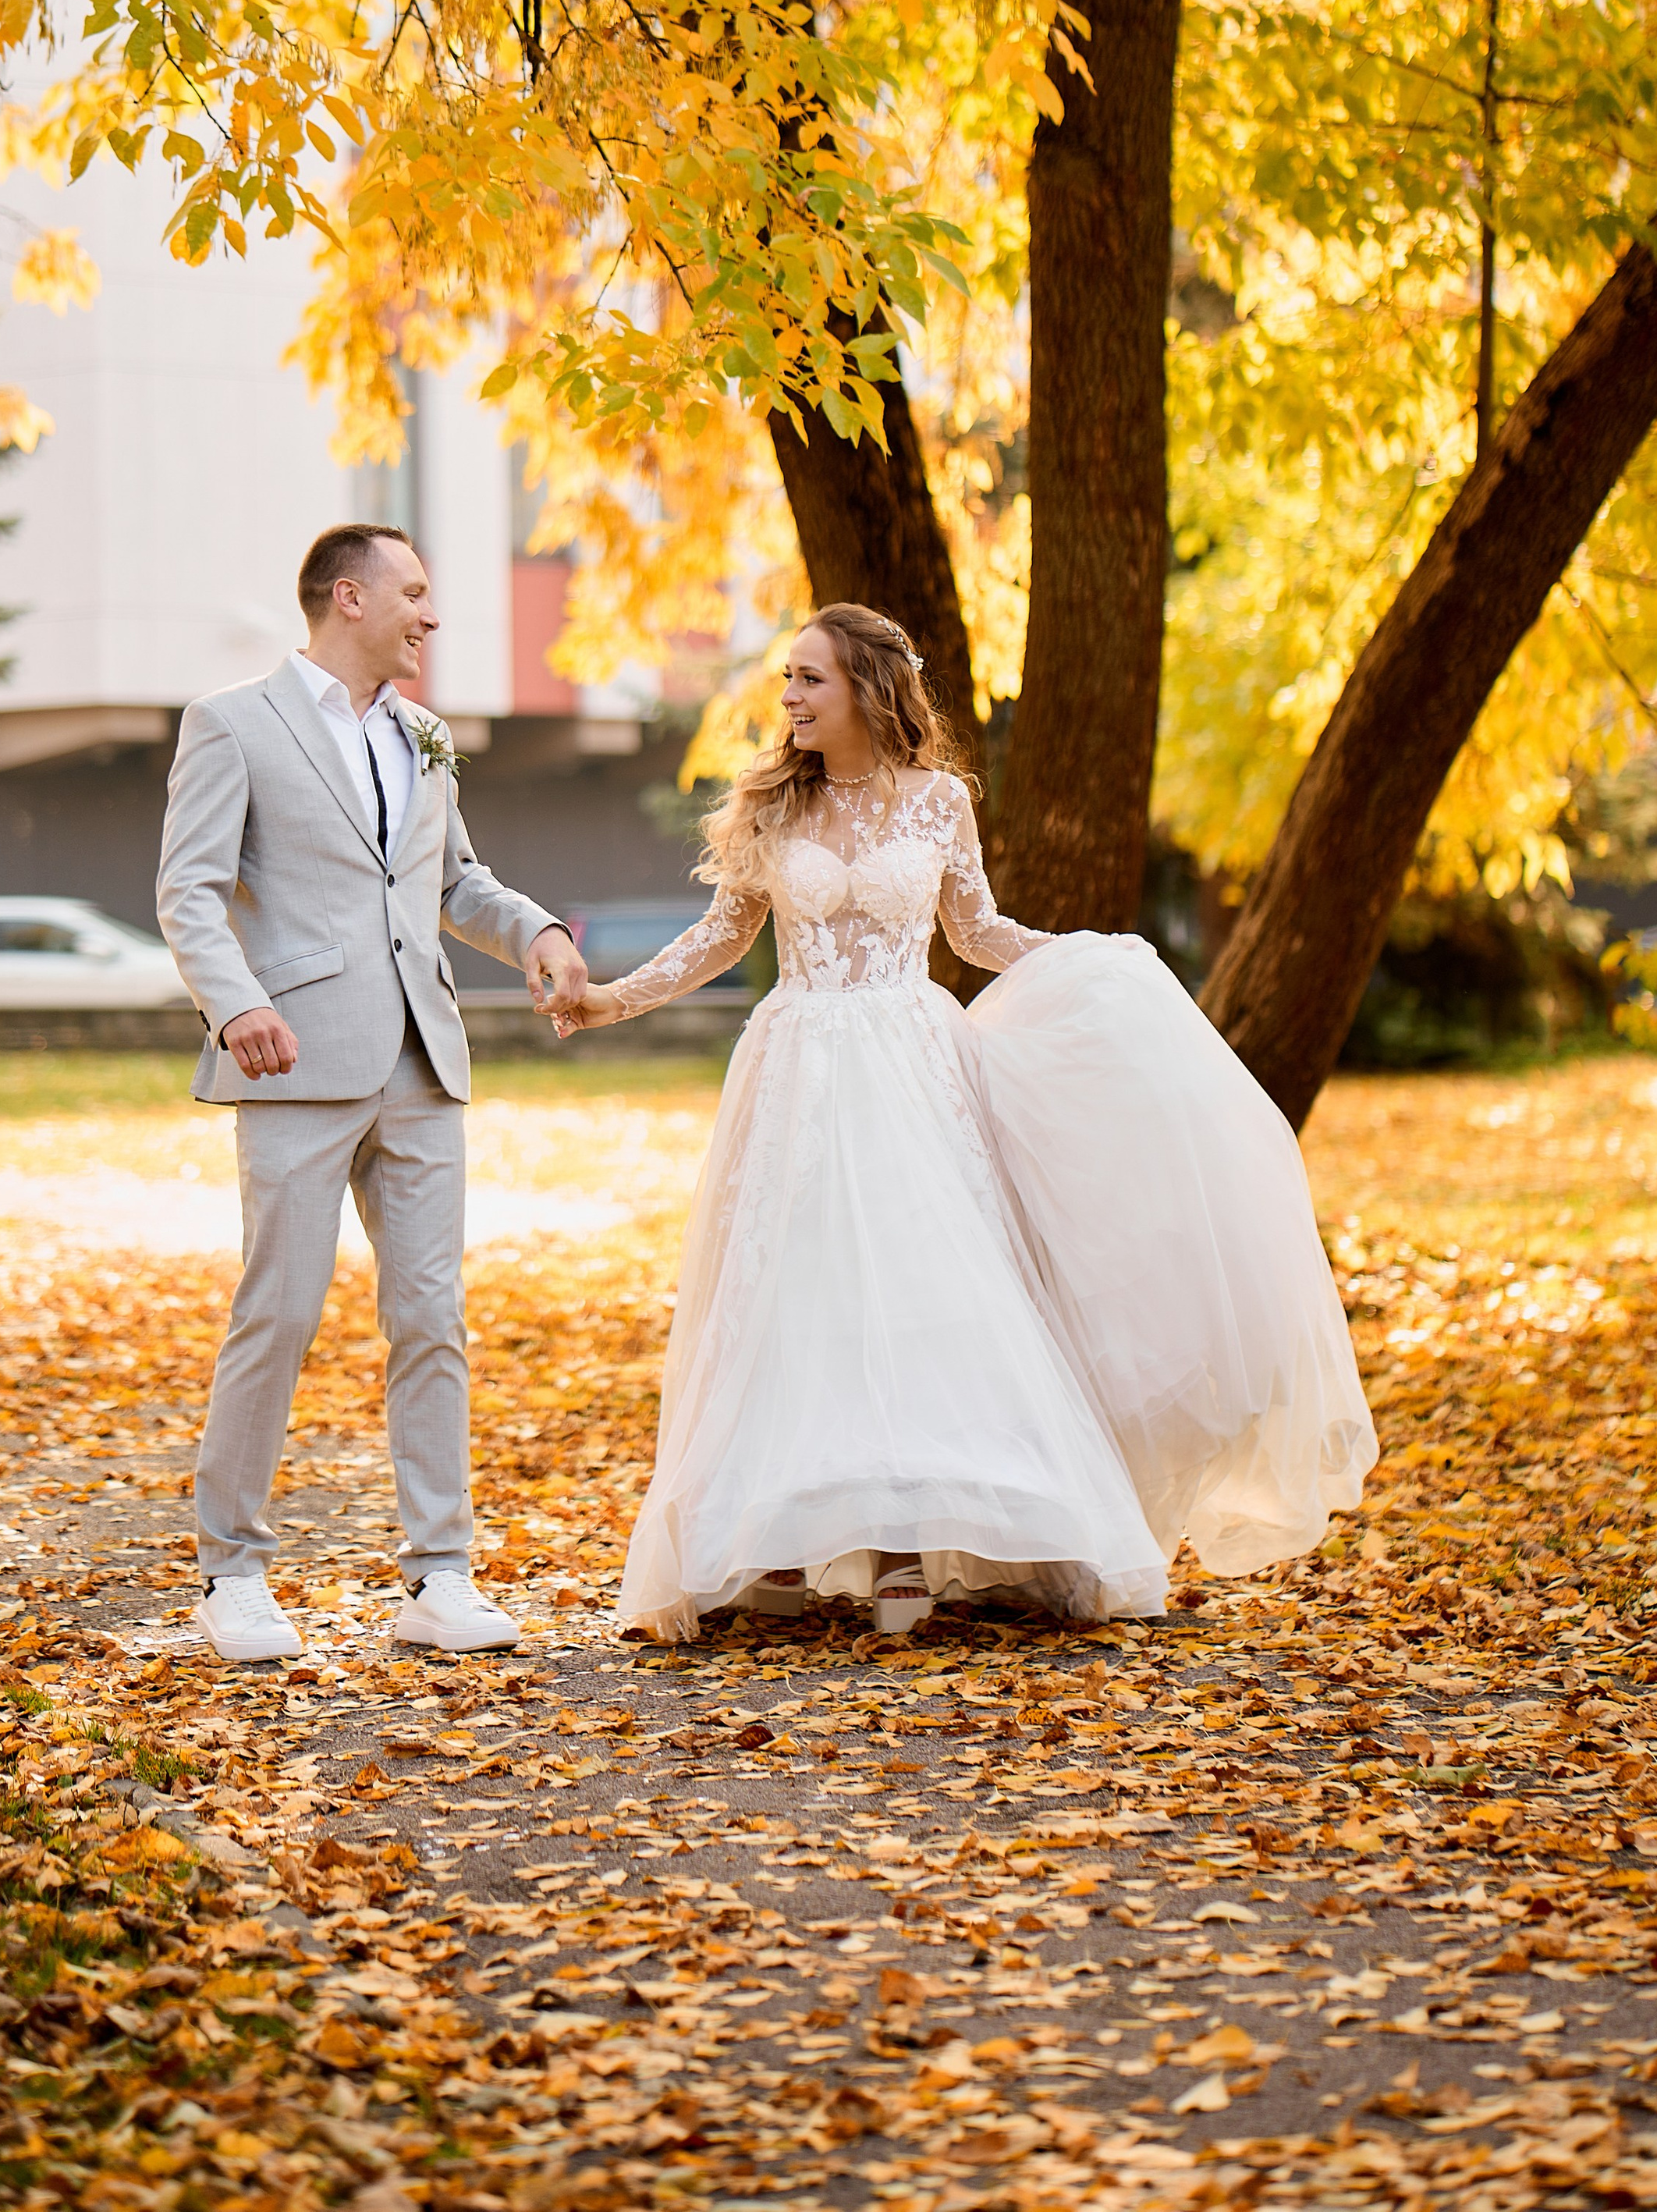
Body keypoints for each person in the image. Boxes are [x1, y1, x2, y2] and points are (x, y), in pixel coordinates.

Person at [550, 603, 1376, 1642]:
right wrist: (608, 999)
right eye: (788, 681)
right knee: (794, 1297)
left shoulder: (940, 803)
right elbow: (721, 935)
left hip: (912, 1068)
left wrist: (1087, 961)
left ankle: (906, 1545)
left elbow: (975, 930)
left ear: (867, 688)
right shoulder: (772, 807)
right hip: (799, 1069)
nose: (791, 699)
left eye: (810, 679)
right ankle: (776, 1543)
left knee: (923, 1293)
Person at [158, 524, 587, 1663]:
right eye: (415, 594)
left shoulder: (427, 738)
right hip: (292, 1056)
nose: (431, 616)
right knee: (281, 1315)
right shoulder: (232, 723)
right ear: (348, 598)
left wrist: (535, 929)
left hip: (422, 1062)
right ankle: (232, 1579)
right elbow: (189, 892)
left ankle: (440, 1577)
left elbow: (456, 883)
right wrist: (237, 1002)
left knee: (431, 1321)